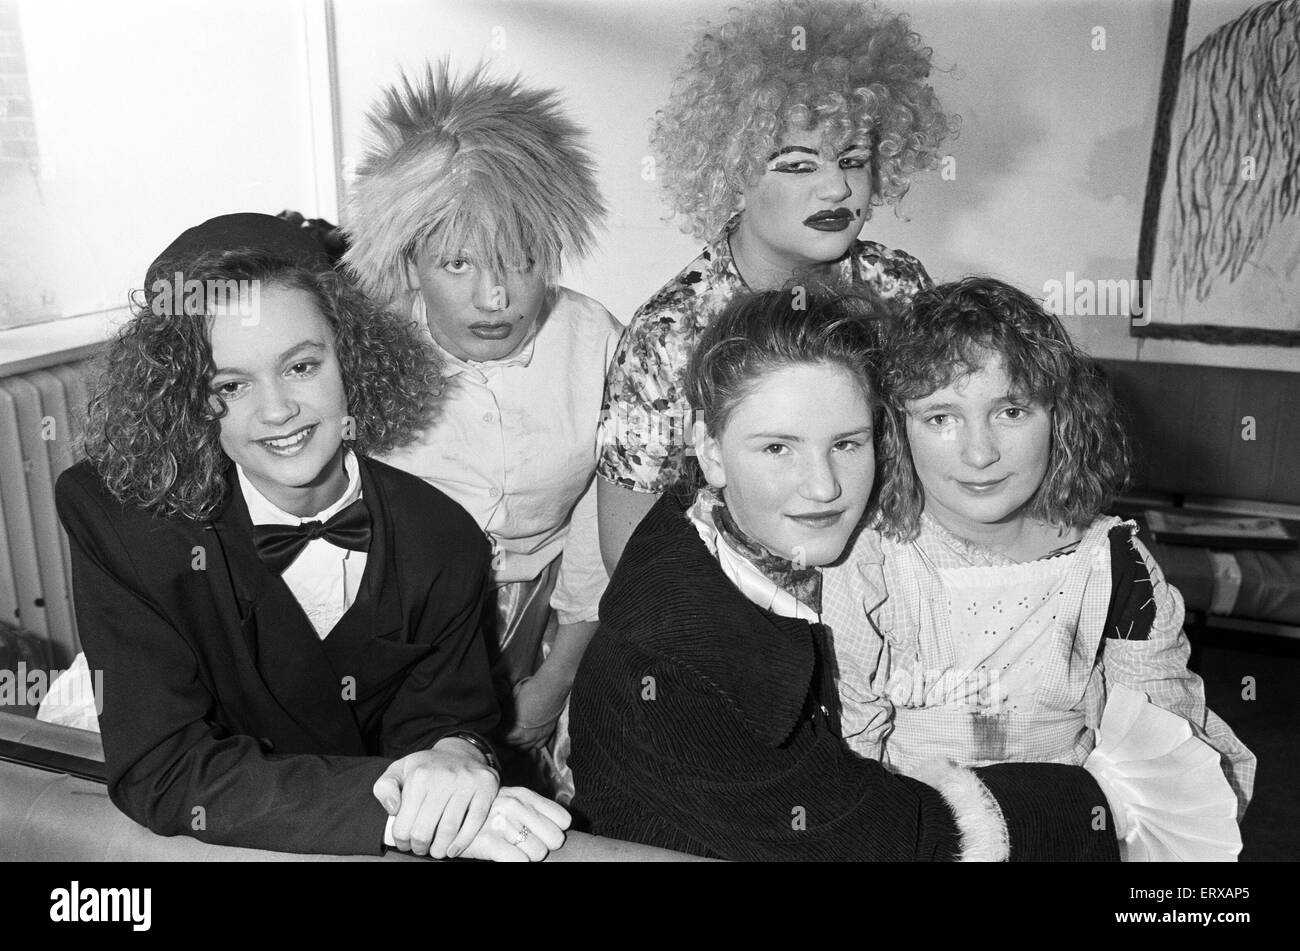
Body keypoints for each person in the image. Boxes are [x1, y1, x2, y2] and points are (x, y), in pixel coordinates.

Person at [50, 213, 568, 860]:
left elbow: (447, 717)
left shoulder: (442, 537)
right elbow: (162, 764)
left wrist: (456, 754)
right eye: (231, 385)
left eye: (300, 366)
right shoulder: (122, 523)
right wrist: (383, 799)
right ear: (185, 398)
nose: (276, 411)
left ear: (350, 354)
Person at [569, 289, 1128, 861]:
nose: (824, 487)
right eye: (777, 448)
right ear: (710, 451)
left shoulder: (762, 553)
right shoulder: (679, 651)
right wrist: (1097, 802)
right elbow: (881, 842)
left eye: (846, 444)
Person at [825, 276, 1252, 860]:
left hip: (1063, 831)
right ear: (896, 429)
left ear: (1060, 415)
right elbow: (850, 754)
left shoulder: (1113, 564)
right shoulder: (868, 558)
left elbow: (1160, 745)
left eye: (1011, 410)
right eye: (940, 418)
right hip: (911, 834)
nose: (980, 454)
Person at [596, 0, 956, 571]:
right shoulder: (670, 333)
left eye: (853, 159)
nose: (837, 189)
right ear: (730, 174)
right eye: (798, 165)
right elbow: (630, 554)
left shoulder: (900, 287)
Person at [342, 62, 622, 797]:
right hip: (400, 633)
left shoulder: (596, 339)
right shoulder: (360, 356)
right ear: (408, 260)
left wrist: (556, 677)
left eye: (521, 261)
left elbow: (602, 525)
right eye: (458, 263)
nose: (495, 297)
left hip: (557, 619)